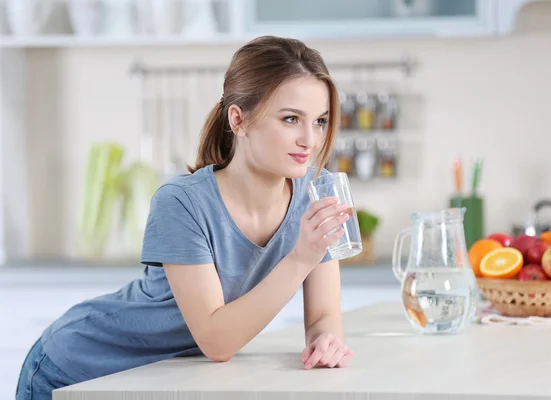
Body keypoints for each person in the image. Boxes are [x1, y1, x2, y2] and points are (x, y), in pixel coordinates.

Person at [15, 35, 354, 400]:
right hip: (78, 369)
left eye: (319, 121)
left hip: (167, 380)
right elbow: (217, 342)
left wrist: (326, 342)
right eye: (291, 119)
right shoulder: (181, 202)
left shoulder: (314, 198)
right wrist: (301, 257)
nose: (310, 139)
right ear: (238, 120)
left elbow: (322, 316)